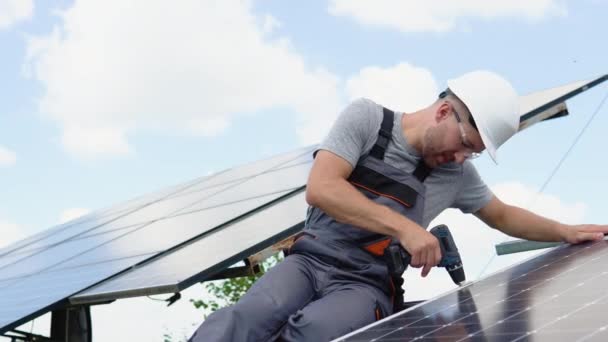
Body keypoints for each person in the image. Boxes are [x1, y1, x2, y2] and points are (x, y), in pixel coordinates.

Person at [189, 70, 608, 342]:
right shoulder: (367, 121)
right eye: (465, 144)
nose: (463, 159)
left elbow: (501, 215)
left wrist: (565, 231)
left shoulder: (455, 175)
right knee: (241, 322)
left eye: (474, 154)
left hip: (366, 285)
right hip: (309, 260)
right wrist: (405, 228)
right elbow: (322, 188)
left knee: (316, 333)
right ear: (444, 111)